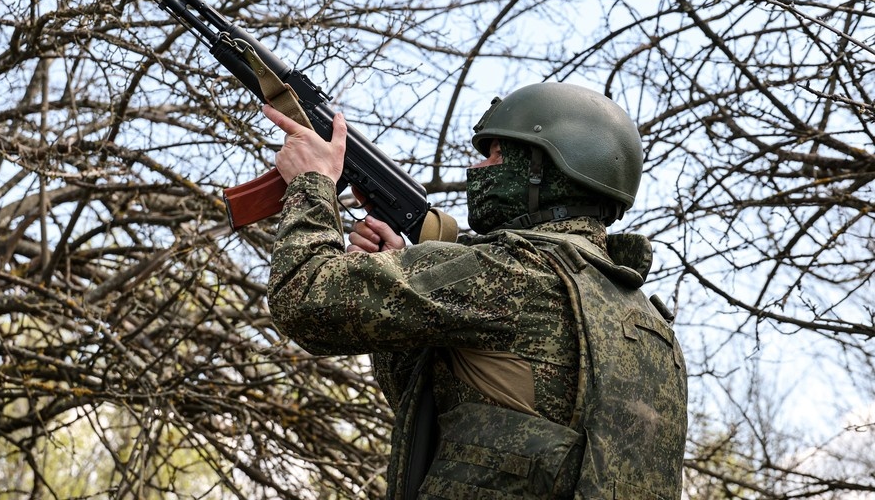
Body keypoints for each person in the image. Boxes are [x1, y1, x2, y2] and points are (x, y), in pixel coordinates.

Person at [263, 82, 688, 499]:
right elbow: (438, 411)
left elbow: (304, 298)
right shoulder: (647, 325)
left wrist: (313, 183)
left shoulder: (514, 271)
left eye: (497, 155)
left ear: (544, 169)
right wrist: (397, 287)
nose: (477, 170)